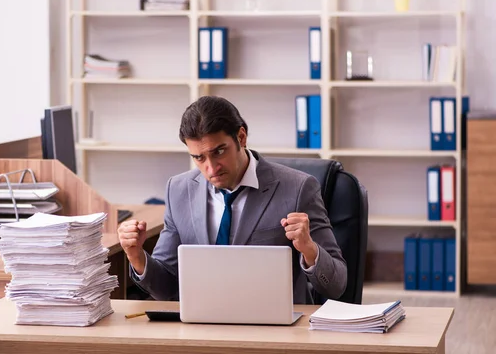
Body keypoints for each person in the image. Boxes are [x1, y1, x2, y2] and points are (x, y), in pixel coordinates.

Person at [117, 96, 347, 304]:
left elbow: (337, 285)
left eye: (219, 151)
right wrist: (136, 256)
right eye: (198, 158)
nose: (211, 168)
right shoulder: (178, 190)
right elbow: (165, 288)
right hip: (201, 325)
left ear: (241, 137)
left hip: (274, 328)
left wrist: (309, 249)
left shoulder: (298, 188)